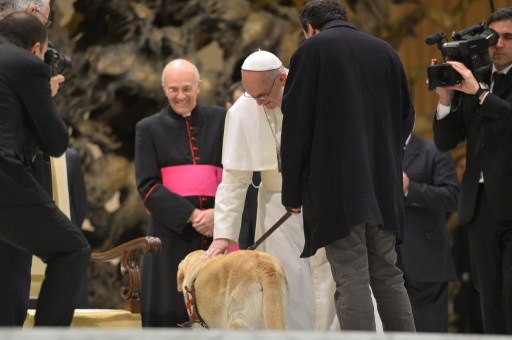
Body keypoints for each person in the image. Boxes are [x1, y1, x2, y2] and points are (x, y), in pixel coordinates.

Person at [280, 0, 416, 331]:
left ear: (309, 28)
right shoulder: (386, 51)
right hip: (383, 186)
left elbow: (295, 127)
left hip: (336, 188)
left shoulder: (310, 52)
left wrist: (292, 193)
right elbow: (407, 118)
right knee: (388, 274)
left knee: (351, 274)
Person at [205, 50, 338, 331]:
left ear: (282, 78)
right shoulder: (242, 111)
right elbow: (234, 180)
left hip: (324, 205)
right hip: (277, 211)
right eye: (253, 97)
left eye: (264, 96)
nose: (261, 104)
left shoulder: (315, 96)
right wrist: (223, 235)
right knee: (286, 285)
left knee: (328, 282)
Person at [0, 12, 90, 326]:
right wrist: (45, 95)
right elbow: (54, 142)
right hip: (5, 180)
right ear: (37, 48)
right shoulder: (28, 66)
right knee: (73, 250)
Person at [431, 7, 512, 335]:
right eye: (493, 38)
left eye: (508, 37)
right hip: (478, 205)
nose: (500, 44)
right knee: (487, 292)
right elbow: (446, 142)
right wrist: (446, 98)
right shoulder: (475, 76)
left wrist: (480, 94)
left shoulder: (478, 86)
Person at [135, 59, 225, 327]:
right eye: (173, 89)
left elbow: (238, 175)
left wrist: (218, 214)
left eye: (187, 88)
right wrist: (193, 215)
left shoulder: (223, 120)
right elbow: (148, 187)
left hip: (217, 233)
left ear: (199, 86)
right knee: (170, 313)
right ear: (164, 89)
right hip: (170, 237)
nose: (180, 96)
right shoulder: (148, 128)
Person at [396, 134, 459, 332]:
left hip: (425, 261)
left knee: (428, 332)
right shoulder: (377, 150)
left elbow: (451, 197)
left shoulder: (434, 149)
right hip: (383, 260)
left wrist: (409, 189)